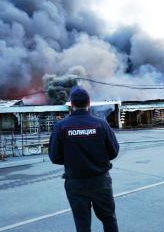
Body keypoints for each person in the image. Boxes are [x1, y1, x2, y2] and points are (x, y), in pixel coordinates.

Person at [49, 87, 119, 232]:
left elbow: (55, 157)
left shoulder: (61, 126)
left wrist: (72, 159)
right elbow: (113, 152)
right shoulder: (101, 124)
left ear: (71, 104)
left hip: (76, 183)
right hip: (100, 182)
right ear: (89, 103)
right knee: (108, 219)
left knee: (82, 224)